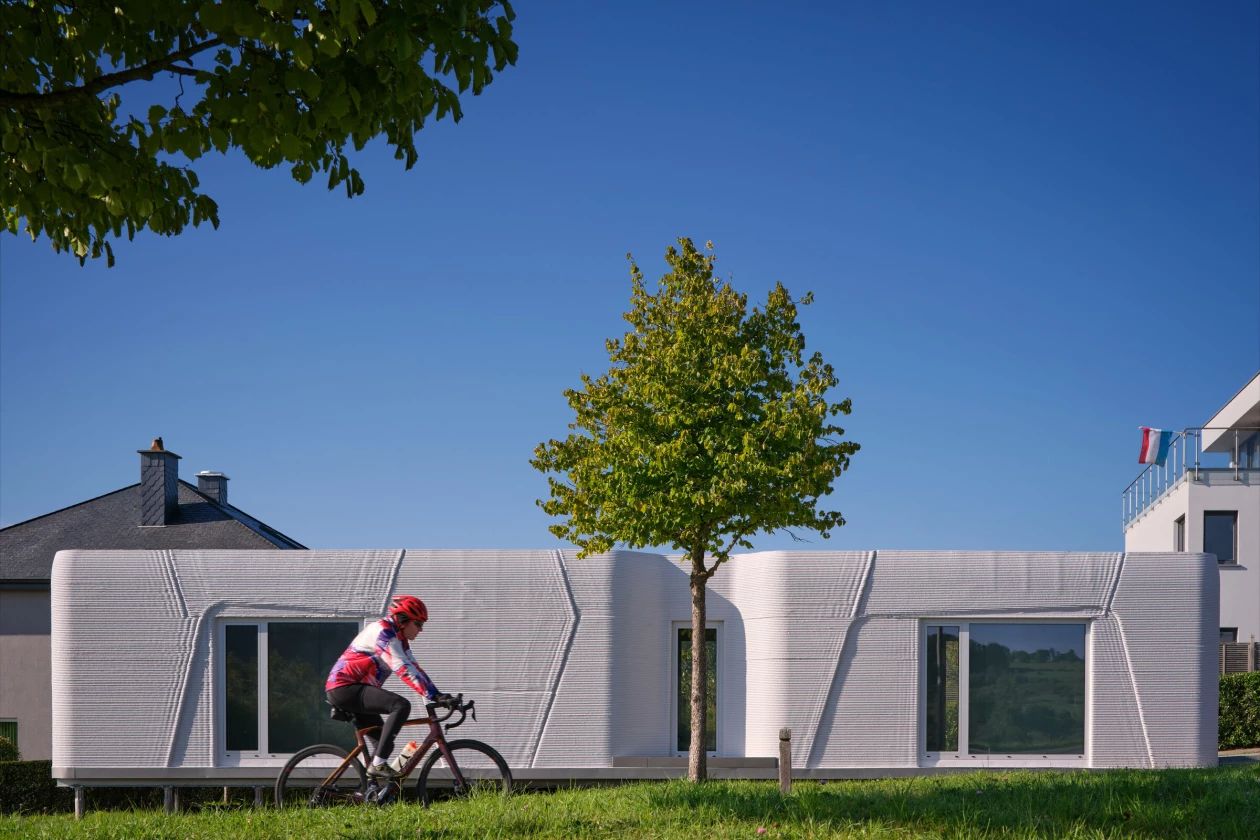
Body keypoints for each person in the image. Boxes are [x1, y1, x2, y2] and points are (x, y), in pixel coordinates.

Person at [325, 594, 452, 781]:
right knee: (400, 705)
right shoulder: (384, 632)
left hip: (354, 688)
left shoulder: (399, 639)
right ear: (404, 620)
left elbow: (414, 668)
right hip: (345, 687)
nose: (421, 629)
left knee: (383, 745)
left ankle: (372, 790)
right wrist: (434, 695)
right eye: (418, 624)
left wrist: (438, 695)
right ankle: (377, 765)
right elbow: (403, 668)